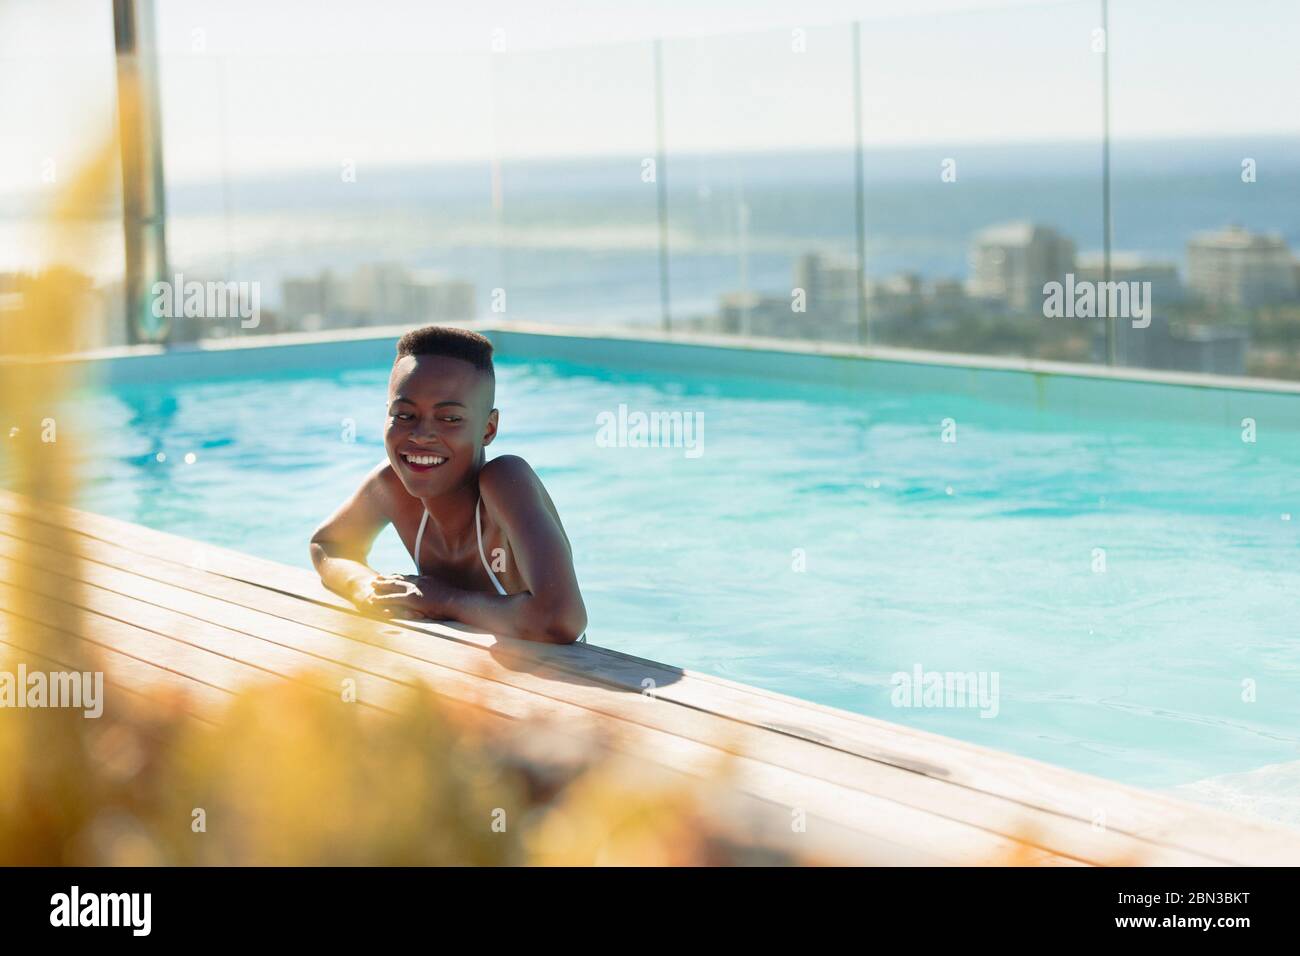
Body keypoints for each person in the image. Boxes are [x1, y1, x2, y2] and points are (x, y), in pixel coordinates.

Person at [310, 326, 587, 644]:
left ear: (488, 429)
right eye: (404, 415)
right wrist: (367, 588)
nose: (421, 435)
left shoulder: (505, 481)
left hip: (553, 673)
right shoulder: (391, 485)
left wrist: (443, 599)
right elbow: (328, 544)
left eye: (450, 418)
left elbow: (561, 620)